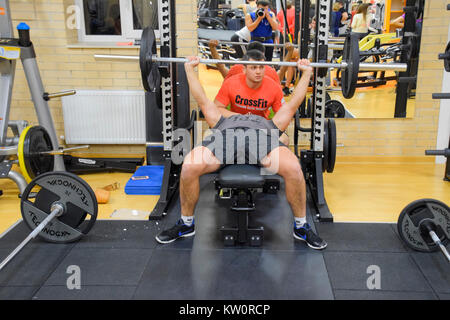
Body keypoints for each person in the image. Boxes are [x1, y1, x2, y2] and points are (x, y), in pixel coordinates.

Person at [155, 53, 327, 250]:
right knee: (188, 166)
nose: (258, 71)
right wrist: (188, 69)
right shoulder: (223, 120)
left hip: (261, 140)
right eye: (253, 67)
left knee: (295, 169)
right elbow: (202, 99)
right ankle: (186, 224)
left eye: (261, 68)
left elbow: (293, 104)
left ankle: (301, 226)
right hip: (225, 140)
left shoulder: (268, 122)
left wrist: (306, 73)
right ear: (245, 69)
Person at [208, 39, 295, 85]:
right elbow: (282, 71)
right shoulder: (269, 71)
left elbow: (221, 67)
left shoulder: (237, 68)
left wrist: (212, 48)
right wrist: (290, 52)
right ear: (263, 54)